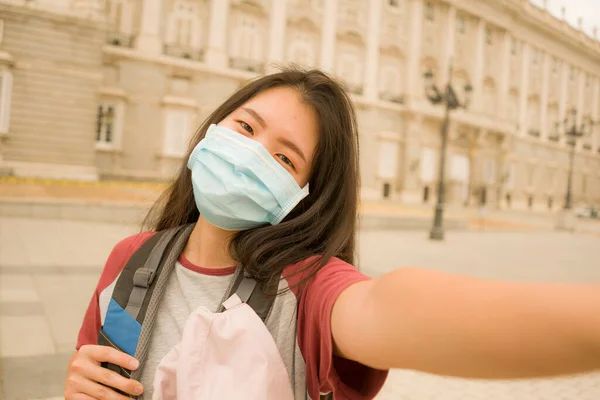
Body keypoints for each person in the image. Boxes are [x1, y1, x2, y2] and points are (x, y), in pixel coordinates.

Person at [65, 68, 600, 400]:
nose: (251, 153)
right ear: (213, 127)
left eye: (283, 156)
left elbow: (393, 309)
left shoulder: (304, 290)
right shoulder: (132, 258)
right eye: (246, 127)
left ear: (303, 194)